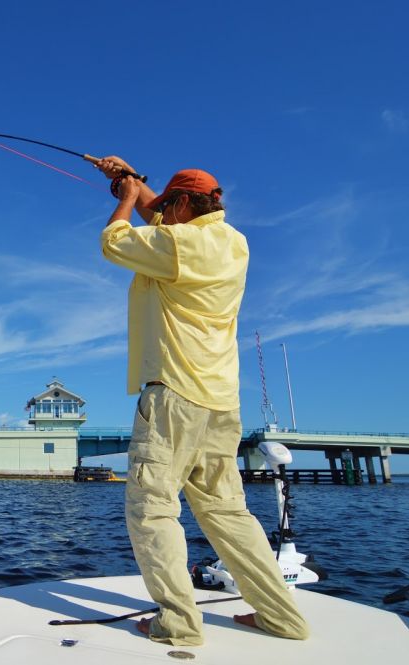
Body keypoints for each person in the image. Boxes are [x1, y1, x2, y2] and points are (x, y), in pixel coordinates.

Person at [96, 156, 310, 646]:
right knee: (228, 512)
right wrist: (136, 180)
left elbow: (114, 242)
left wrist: (127, 199)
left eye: (172, 204)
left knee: (152, 507)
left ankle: (178, 623)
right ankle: (283, 617)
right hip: (220, 404)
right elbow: (167, 224)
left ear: (187, 204)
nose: (164, 212)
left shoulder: (176, 243)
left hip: (173, 395)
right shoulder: (233, 243)